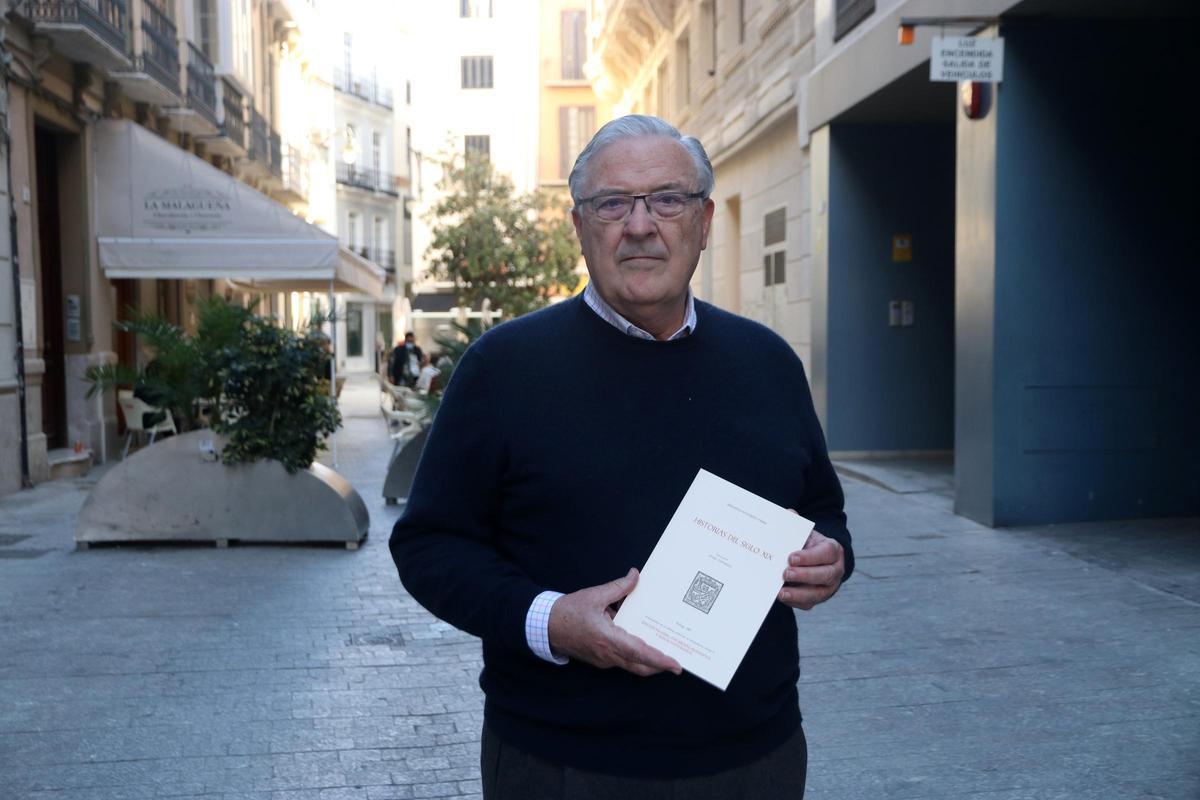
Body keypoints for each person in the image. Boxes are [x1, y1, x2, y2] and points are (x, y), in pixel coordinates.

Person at [389, 115, 853, 799]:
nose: (641, 224)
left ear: (703, 221)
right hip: (563, 766)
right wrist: (550, 620)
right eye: (613, 203)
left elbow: (820, 508)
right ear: (579, 226)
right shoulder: (504, 368)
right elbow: (429, 545)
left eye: (667, 198)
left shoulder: (768, 363)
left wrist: (833, 557)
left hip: (756, 758)